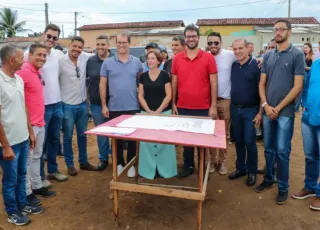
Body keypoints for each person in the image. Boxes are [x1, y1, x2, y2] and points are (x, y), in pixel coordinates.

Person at [255, 19, 305, 205]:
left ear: (289, 32)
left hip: (285, 112)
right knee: (268, 149)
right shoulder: (268, 56)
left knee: (283, 151)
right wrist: (266, 105)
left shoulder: (297, 55)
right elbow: (262, 83)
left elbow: (298, 86)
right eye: (275, 30)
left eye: (281, 29)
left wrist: (278, 107)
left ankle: (283, 186)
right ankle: (269, 178)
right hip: (269, 110)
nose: (277, 32)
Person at [0, 44, 44, 226]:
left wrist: (30, 132)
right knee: (10, 180)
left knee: (21, 175)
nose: (24, 60)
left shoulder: (18, 79)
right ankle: (12, 211)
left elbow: (23, 106)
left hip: (23, 137)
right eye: (20, 58)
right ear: (11, 60)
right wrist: (6, 145)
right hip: (9, 142)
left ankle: (23, 204)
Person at [172, 24, 218, 178]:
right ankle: (188, 166)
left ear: (198, 38)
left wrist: (213, 106)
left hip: (203, 107)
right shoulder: (177, 58)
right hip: (183, 106)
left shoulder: (208, 57)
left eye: (194, 36)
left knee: (202, 141)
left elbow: (213, 82)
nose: (191, 39)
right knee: (187, 140)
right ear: (185, 39)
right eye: (188, 36)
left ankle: (203, 168)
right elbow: (174, 82)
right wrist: (173, 103)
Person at [25, 24, 68, 189]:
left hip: (57, 103)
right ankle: (40, 177)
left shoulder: (57, 55)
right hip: (41, 107)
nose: (51, 40)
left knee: (54, 140)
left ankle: (53, 170)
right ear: (43, 34)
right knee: (39, 145)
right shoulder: (31, 55)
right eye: (49, 36)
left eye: (55, 38)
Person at [17, 43, 57, 207]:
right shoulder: (23, 72)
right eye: (38, 55)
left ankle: (37, 185)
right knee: (27, 159)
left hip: (40, 122)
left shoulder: (37, 72)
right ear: (30, 55)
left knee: (37, 156)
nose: (42, 58)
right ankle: (27, 192)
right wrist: (28, 126)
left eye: (44, 55)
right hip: (29, 125)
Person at [100, 31, 142, 178]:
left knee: (131, 139)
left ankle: (131, 163)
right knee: (116, 138)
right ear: (115, 44)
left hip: (133, 107)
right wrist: (104, 105)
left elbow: (140, 83)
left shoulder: (137, 62)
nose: (121, 45)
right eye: (119, 42)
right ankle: (119, 163)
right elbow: (103, 84)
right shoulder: (107, 63)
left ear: (129, 44)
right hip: (114, 107)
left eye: (124, 42)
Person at [59, 36, 97, 176]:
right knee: (68, 136)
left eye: (80, 47)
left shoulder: (85, 57)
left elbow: (100, 54)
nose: (77, 49)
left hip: (82, 104)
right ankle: (70, 164)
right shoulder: (60, 61)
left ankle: (84, 162)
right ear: (69, 45)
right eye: (74, 46)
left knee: (82, 135)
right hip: (67, 104)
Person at [137, 49, 177, 179]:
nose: (150, 61)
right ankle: (148, 170)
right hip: (146, 114)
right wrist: (148, 110)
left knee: (164, 143)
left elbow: (169, 95)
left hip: (164, 113)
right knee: (146, 144)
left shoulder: (165, 75)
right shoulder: (143, 76)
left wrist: (159, 110)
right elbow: (141, 96)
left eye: (153, 58)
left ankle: (165, 170)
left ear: (159, 61)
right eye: (148, 58)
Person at [227, 39, 261, 186]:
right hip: (235, 109)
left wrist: (260, 113)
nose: (237, 51)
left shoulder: (257, 65)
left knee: (249, 141)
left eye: (240, 48)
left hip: (251, 110)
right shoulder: (233, 65)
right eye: (234, 49)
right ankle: (241, 168)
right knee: (239, 141)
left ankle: (252, 171)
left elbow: (263, 90)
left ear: (248, 48)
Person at [291, 58, 320, 210]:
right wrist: (304, 104)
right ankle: (310, 186)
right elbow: (307, 86)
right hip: (309, 117)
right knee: (310, 155)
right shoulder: (316, 64)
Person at [207, 31, 237, 175]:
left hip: (225, 100)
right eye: (210, 43)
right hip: (208, 101)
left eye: (216, 42)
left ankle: (223, 161)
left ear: (221, 43)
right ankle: (213, 161)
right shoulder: (205, 57)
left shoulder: (229, 55)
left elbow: (245, 57)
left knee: (224, 134)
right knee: (211, 133)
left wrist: (260, 60)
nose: (213, 45)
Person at [86, 35, 114, 171]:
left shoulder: (115, 60)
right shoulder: (90, 61)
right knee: (101, 132)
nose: (100, 47)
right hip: (97, 103)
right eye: (98, 44)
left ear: (108, 45)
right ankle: (103, 158)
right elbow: (87, 82)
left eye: (103, 44)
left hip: (115, 103)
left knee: (116, 133)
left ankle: (117, 158)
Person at [295, 42, 315, 113]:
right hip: (301, 75)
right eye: (304, 48)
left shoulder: (312, 56)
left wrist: (306, 67)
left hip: (308, 75)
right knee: (299, 91)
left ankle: (304, 108)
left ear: (310, 48)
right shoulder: (302, 56)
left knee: (305, 92)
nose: (305, 49)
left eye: (306, 48)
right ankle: (297, 108)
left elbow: (313, 68)